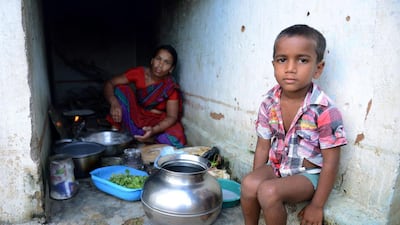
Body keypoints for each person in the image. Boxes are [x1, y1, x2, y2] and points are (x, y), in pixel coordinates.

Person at [240, 24, 348, 225]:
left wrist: (317, 205)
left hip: (308, 176)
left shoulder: (324, 109)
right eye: (282, 60)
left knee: (268, 191)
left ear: (318, 68)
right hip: (278, 166)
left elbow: (331, 162)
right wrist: (257, 177)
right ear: (274, 65)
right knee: (248, 184)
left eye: (302, 60)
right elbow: (263, 145)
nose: (290, 68)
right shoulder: (269, 102)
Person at [103, 44, 186, 148]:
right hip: (136, 116)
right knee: (121, 89)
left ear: (171, 69)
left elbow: (172, 117)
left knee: (176, 138)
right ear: (152, 60)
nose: (160, 65)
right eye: (158, 59)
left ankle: (148, 137)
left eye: (166, 62)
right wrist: (114, 103)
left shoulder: (170, 87)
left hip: (158, 122)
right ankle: (138, 135)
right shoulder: (138, 73)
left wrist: (154, 130)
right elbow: (110, 83)